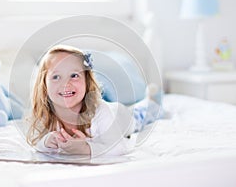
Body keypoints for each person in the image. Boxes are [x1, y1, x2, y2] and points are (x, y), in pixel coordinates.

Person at [27, 44, 160, 157]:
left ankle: (151, 100)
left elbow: (120, 148)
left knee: (139, 116)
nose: (65, 84)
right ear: (44, 85)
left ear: (87, 80)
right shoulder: (45, 113)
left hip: (120, 116)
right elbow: (35, 143)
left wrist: (86, 149)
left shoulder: (101, 111)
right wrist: (46, 142)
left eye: (74, 75)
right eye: (56, 77)